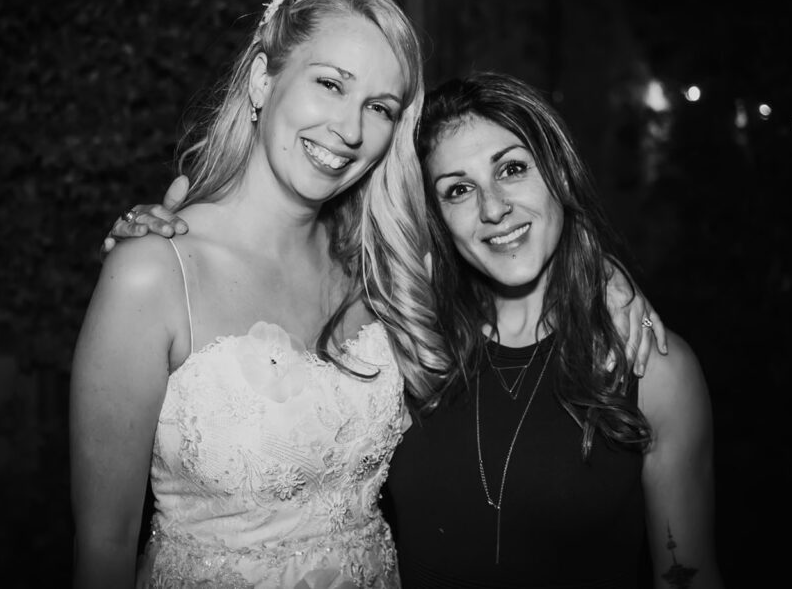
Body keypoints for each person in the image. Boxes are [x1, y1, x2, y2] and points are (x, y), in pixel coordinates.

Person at [106, 73, 714, 588]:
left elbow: (686, 572)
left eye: (513, 168)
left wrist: (601, 271)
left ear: (559, 173)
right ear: (436, 218)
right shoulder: (408, 338)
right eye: (457, 190)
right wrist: (157, 236)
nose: (492, 207)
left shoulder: (651, 369)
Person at [69, 0, 452, 589]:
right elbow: (104, 548)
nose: (349, 131)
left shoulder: (379, 267)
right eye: (330, 84)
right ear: (261, 81)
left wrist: (609, 294)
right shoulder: (155, 273)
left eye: (379, 108)